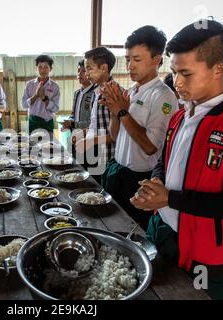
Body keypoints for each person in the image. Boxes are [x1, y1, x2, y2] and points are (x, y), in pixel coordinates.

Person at [130, 19, 223, 300]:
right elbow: (165, 161)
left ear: (219, 69)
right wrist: (154, 186)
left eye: (186, 74)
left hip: (208, 252)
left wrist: (171, 199)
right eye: (173, 72)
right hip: (163, 232)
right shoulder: (181, 116)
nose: (177, 82)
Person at [99, 26, 178, 230]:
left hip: (138, 180)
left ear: (156, 59)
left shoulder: (162, 96)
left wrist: (123, 112)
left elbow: (151, 147)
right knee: (111, 225)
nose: (129, 66)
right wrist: (115, 110)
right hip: (118, 170)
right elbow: (114, 136)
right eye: (127, 59)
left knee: (132, 231)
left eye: (137, 59)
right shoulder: (132, 92)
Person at [73, 47, 117, 183]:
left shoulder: (114, 94)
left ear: (103, 68)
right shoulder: (96, 92)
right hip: (92, 153)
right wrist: (83, 133)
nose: (86, 73)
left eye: (89, 68)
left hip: (106, 158)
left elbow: (115, 135)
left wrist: (90, 141)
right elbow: (96, 125)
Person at [22, 55, 60, 134]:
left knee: (48, 146)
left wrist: (44, 97)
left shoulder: (55, 86)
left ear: (50, 69)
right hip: (32, 123)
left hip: (47, 123)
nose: (43, 70)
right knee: (32, 146)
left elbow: (56, 109)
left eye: (46, 67)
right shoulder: (29, 84)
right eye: (40, 67)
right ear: (36, 68)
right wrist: (36, 95)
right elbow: (24, 105)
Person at [62, 59, 97, 132]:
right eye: (78, 70)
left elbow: (93, 123)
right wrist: (68, 122)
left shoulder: (95, 94)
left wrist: (73, 124)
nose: (79, 74)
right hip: (75, 135)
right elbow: (73, 114)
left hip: (88, 137)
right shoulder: (77, 93)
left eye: (83, 71)